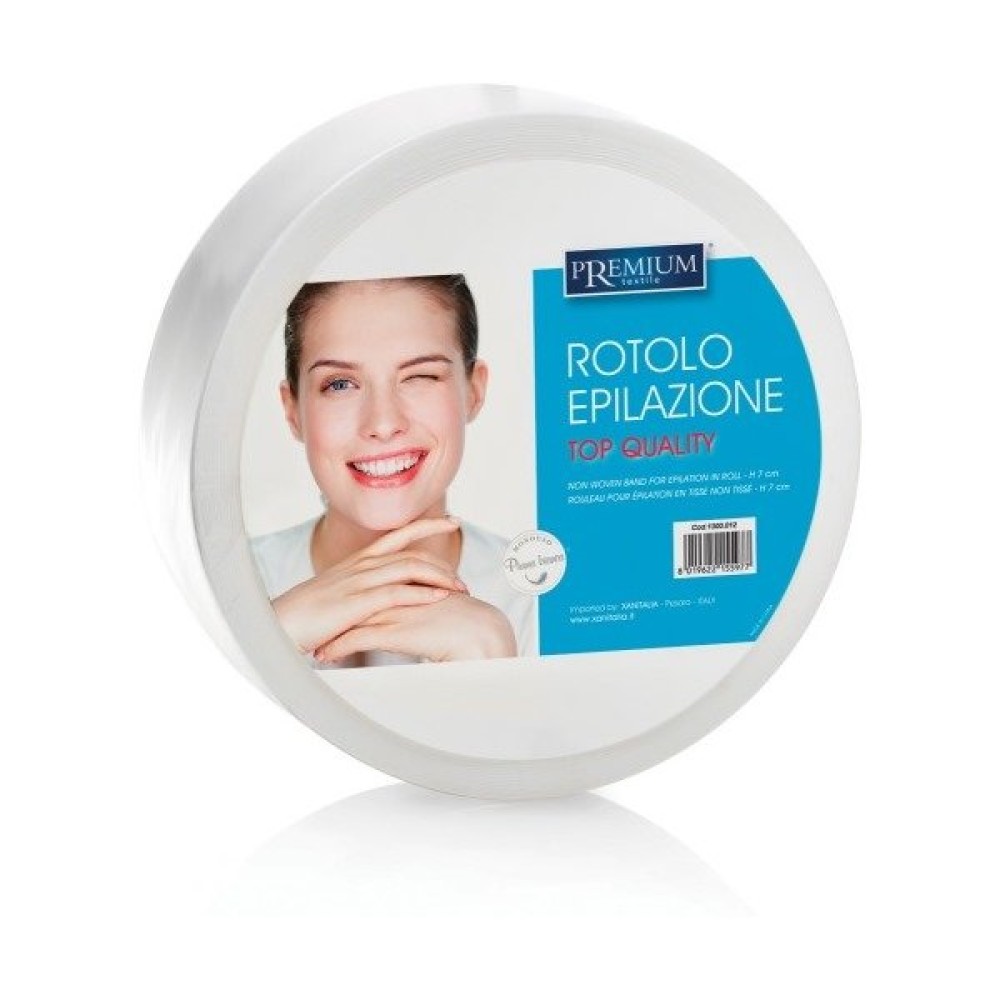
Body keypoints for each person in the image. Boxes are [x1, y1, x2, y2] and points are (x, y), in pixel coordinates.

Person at [250, 274, 537, 667]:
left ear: (473, 390)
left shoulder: (545, 605)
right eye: (340, 384)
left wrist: (487, 665)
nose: (383, 424)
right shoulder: (230, 591)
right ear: (292, 409)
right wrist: (268, 639)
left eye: (419, 376)